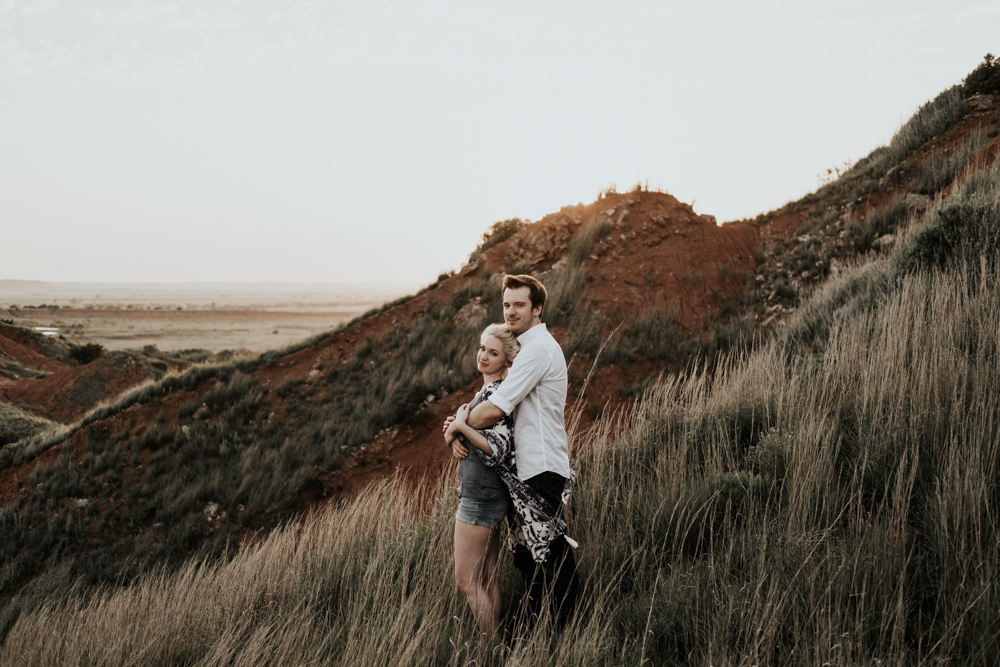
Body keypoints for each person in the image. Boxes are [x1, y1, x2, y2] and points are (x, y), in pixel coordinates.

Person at [447, 274, 579, 626]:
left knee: (549, 553)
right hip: (530, 469)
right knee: (530, 555)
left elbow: (495, 410)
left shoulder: (536, 349)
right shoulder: (530, 347)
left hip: (542, 466)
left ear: (537, 309)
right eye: (506, 304)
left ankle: (568, 632)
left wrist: (455, 427)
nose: (511, 311)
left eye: (519, 304)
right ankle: (543, 632)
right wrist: (458, 428)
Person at [445, 323, 520, 639]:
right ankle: (497, 644)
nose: (484, 356)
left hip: (481, 497)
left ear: (507, 360)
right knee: (488, 577)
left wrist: (462, 426)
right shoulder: (487, 392)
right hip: (488, 495)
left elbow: (496, 449)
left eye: (494, 352)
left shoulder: (498, 394)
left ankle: (490, 648)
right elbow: (462, 430)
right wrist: (455, 434)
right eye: (482, 349)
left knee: (466, 581)